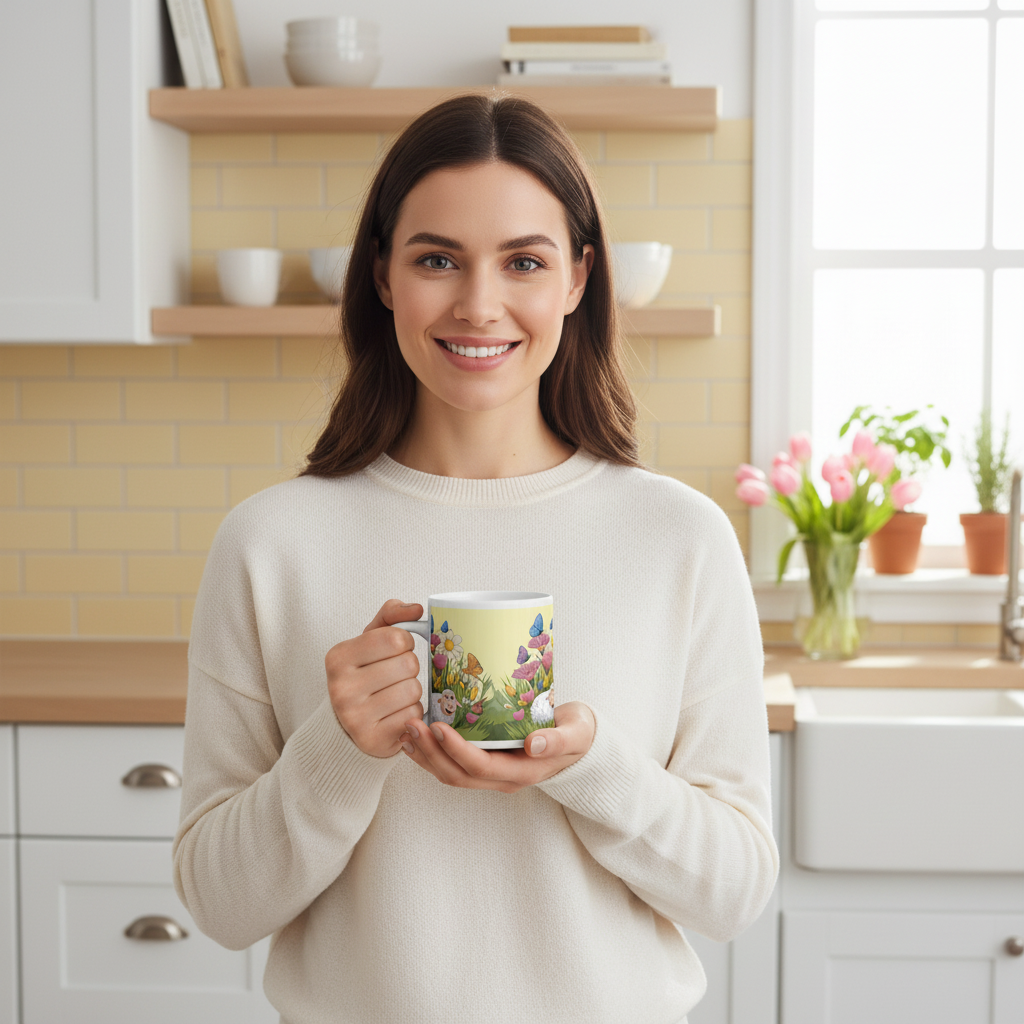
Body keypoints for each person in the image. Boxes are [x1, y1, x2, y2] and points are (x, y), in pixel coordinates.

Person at [173, 94, 778, 1024]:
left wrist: (591, 768)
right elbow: (220, 906)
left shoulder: (681, 539)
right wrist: (337, 752)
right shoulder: (270, 543)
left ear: (578, 278)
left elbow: (734, 894)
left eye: (524, 261)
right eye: (437, 259)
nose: (478, 305)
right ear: (382, 276)